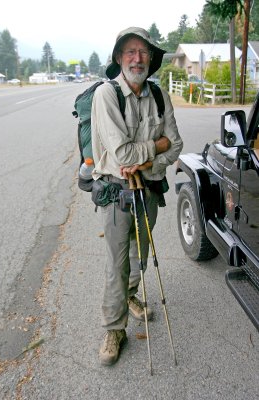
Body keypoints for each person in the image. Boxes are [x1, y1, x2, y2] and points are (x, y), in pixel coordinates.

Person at [91, 27, 183, 366]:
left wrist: (148, 158)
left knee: (140, 255)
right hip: (116, 193)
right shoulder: (106, 95)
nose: (137, 58)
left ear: (150, 58)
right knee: (117, 263)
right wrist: (154, 148)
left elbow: (176, 145)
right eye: (130, 51)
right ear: (119, 58)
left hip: (149, 190)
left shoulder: (159, 96)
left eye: (143, 51)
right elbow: (123, 156)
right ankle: (114, 329)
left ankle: (130, 296)